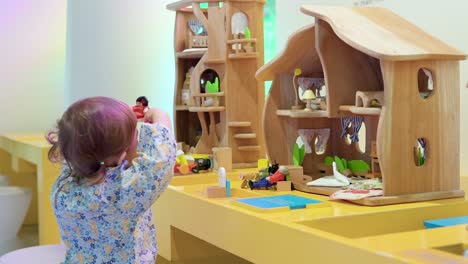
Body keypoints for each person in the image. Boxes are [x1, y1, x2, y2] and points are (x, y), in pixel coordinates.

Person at [47, 97, 176, 264]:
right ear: (122, 153)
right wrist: (160, 115)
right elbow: (161, 159)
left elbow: (85, 147)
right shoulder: (122, 192)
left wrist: (120, 128)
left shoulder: (64, 183)